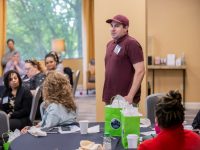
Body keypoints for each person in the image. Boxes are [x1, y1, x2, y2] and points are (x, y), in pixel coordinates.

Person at [102, 14, 145, 105]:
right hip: (110, 97)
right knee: (110, 120)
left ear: (126, 28)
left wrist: (130, 95)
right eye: (111, 26)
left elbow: (140, 71)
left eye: (117, 26)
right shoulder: (110, 44)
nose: (113, 29)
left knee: (124, 120)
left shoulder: (131, 44)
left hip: (125, 98)